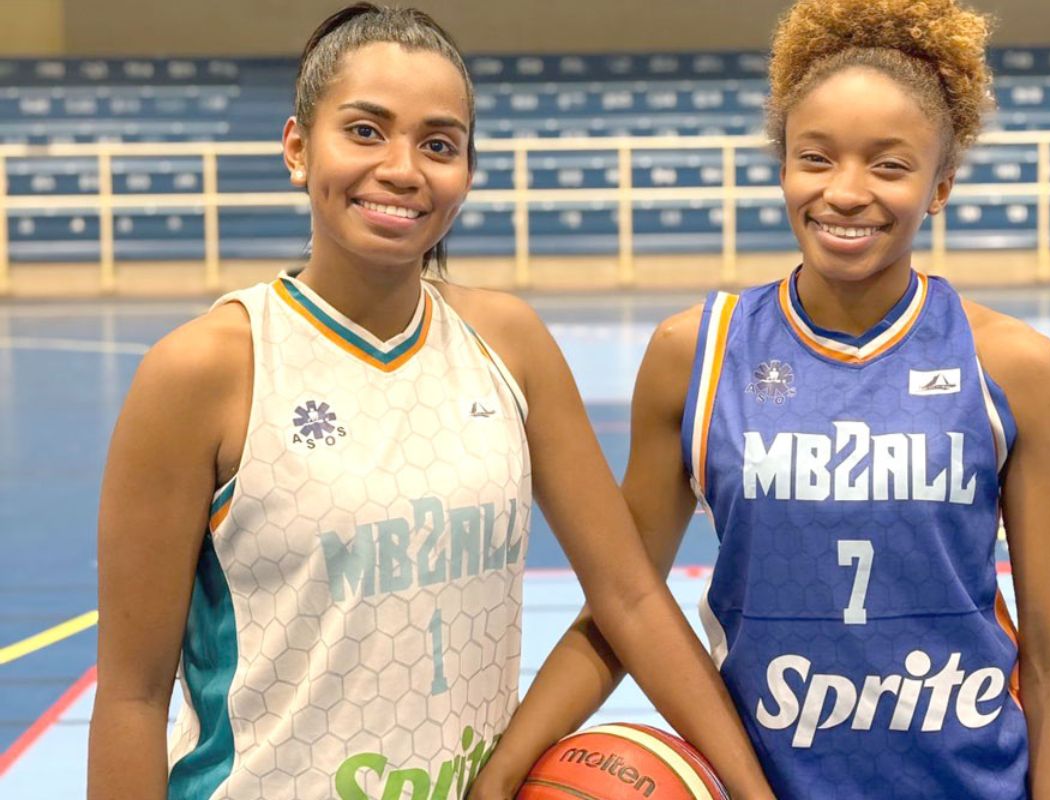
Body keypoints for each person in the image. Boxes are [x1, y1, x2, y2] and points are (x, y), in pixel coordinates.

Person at [86, 5, 775, 799]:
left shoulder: (509, 344)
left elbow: (631, 598)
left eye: (439, 144)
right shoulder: (205, 369)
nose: (403, 169)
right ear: (298, 148)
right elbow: (132, 697)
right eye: (366, 131)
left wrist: (754, 792)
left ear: (467, 173)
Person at [472, 0, 1050, 797]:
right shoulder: (695, 357)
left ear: (940, 184)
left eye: (889, 166)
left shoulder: (1012, 368)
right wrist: (503, 770)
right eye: (816, 158)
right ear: (783, 167)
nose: (846, 191)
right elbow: (623, 604)